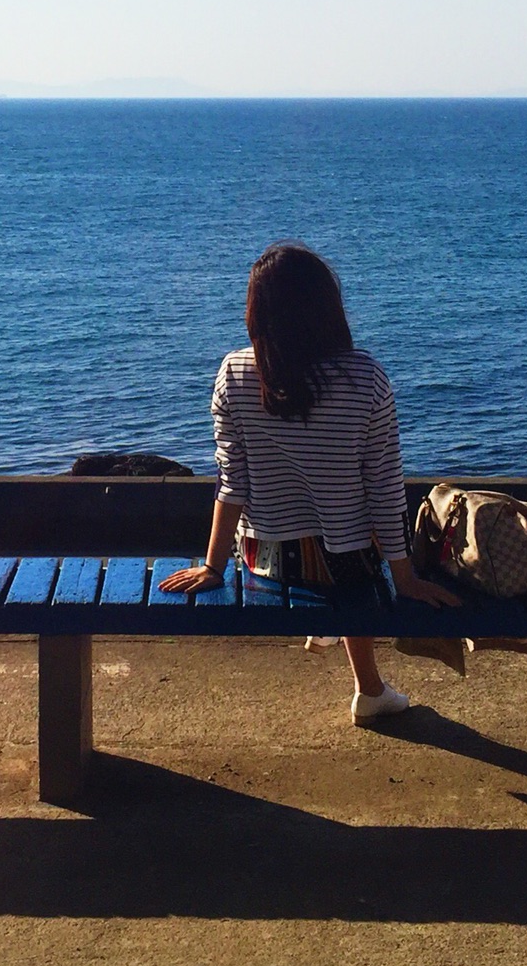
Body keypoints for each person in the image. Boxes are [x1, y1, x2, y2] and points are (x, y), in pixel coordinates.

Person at [160, 243, 458, 723]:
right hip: (349, 567)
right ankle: (368, 687)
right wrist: (406, 580)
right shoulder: (365, 378)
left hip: (266, 562)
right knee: (351, 534)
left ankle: (364, 678)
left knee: (330, 534)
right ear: (327, 307)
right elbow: (384, 492)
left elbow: (231, 482)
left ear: (258, 311)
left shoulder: (233, 373)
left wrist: (215, 566)